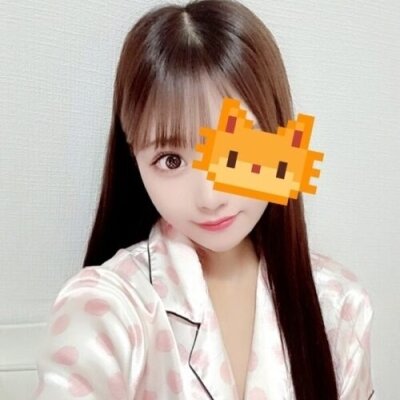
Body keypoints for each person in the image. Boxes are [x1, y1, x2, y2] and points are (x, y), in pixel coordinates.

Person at [32, 1, 375, 399]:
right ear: (134, 159)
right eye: (171, 160)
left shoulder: (339, 303)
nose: (210, 197)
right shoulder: (108, 306)